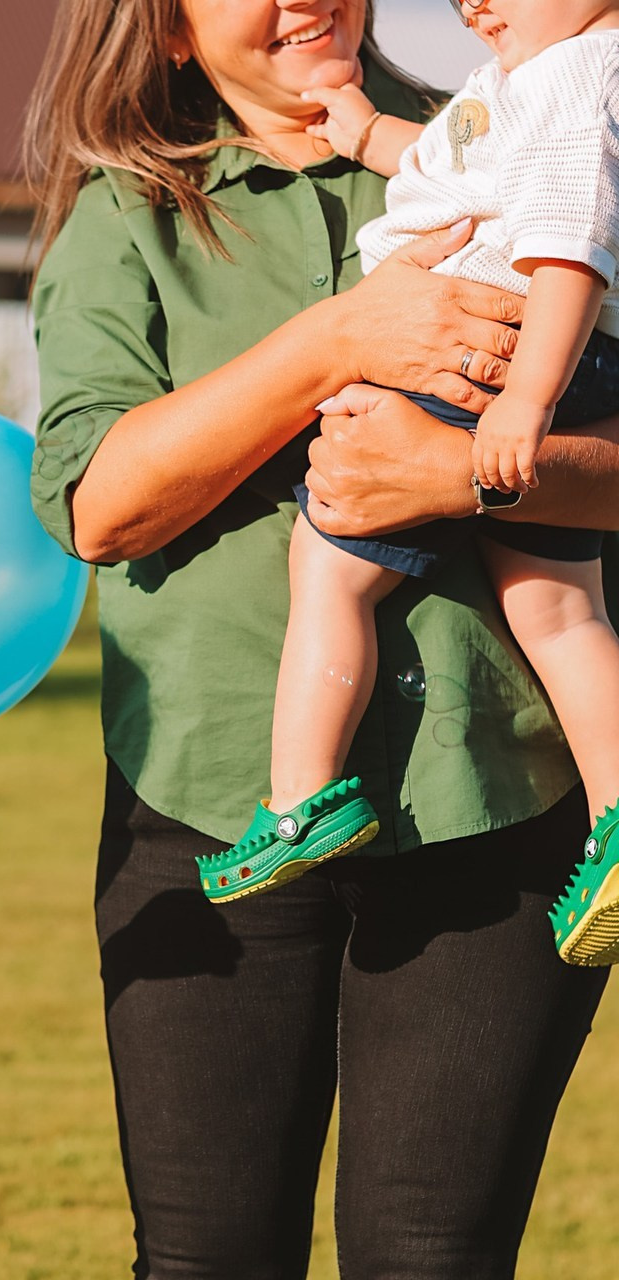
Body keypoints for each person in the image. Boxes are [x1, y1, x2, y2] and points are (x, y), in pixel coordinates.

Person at [24, 0, 619, 1274]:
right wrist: (335, 340)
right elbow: (98, 504)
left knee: (430, 1255)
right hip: (206, 801)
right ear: (171, 30)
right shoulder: (125, 217)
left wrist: (463, 475)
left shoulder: (526, 122)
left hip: (494, 810)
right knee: (206, 1255)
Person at [209, 0, 619, 970]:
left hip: (495, 349)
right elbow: (466, 164)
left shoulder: (573, 74)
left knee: (331, 559)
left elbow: (567, 248)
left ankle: (300, 794)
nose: (472, 3)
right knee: (558, 610)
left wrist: (524, 398)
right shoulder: (541, 72)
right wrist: (369, 134)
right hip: (535, 353)